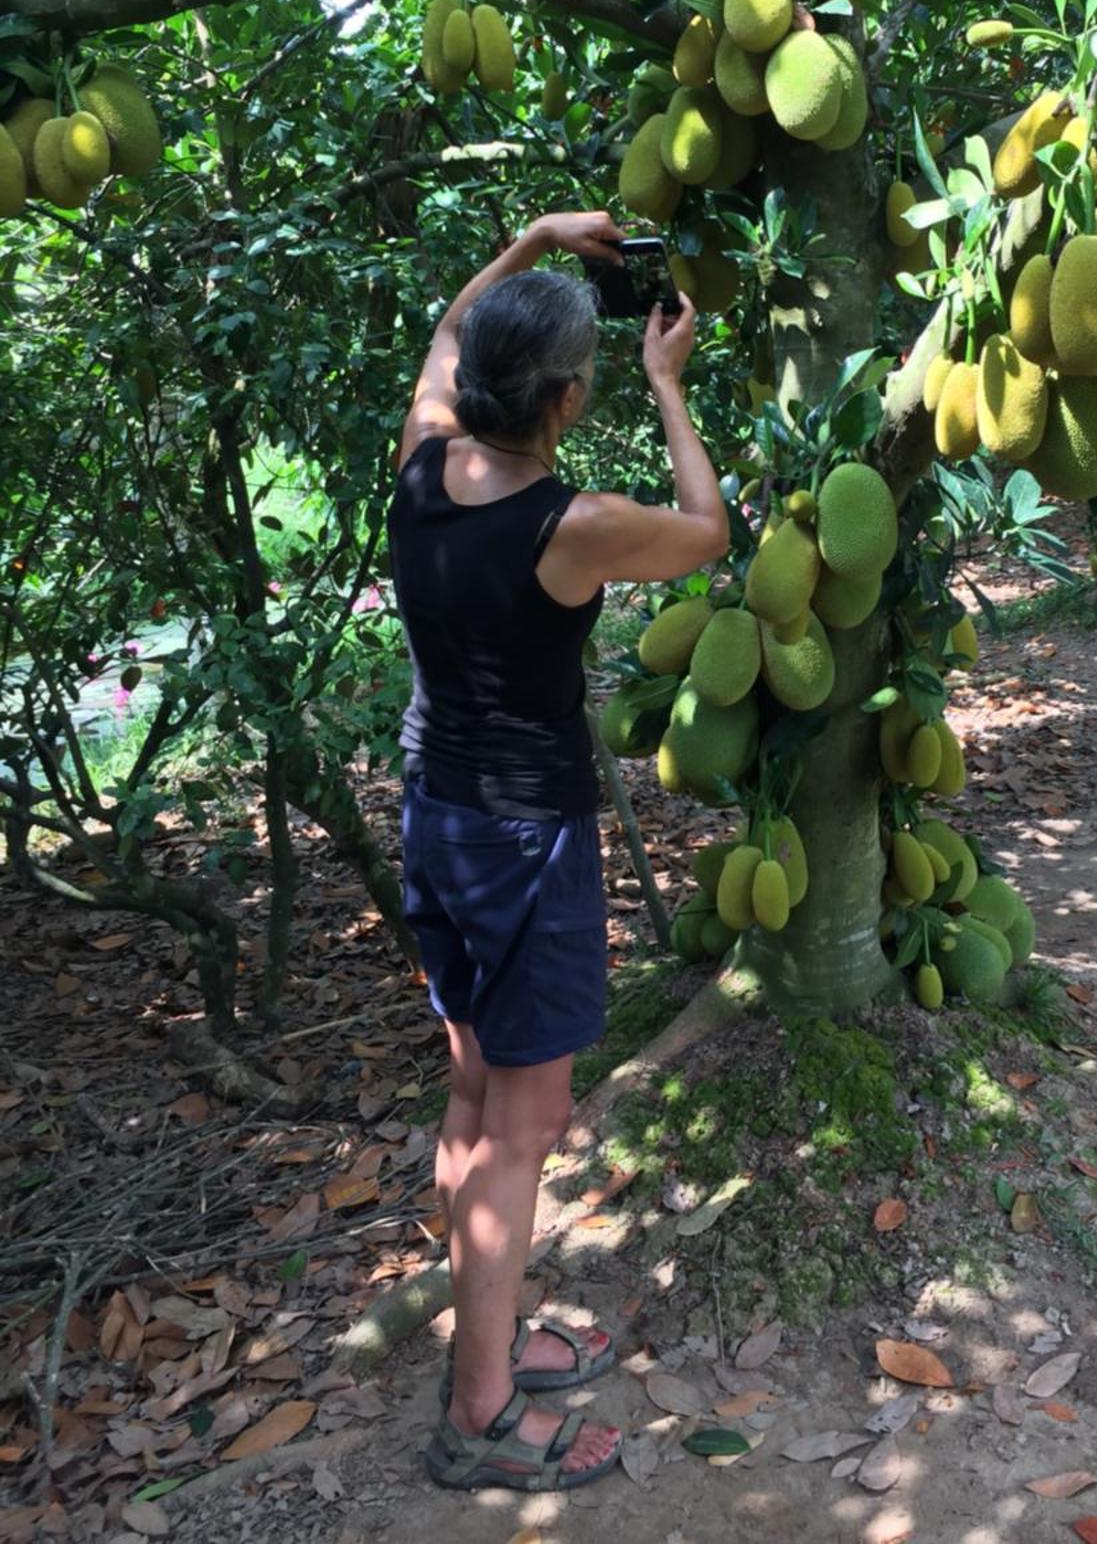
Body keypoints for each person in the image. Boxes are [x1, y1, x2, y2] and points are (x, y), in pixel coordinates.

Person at [388, 210, 728, 1493]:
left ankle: (486, 1329)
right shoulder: (571, 523)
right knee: (524, 1127)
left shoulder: (421, 464)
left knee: (475, 1097)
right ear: (571, 396)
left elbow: (441, 333)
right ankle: (477, 1413)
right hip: (528, 840)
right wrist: (669, 385)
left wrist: (530, 237)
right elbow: (705, 529)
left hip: (436, 817)